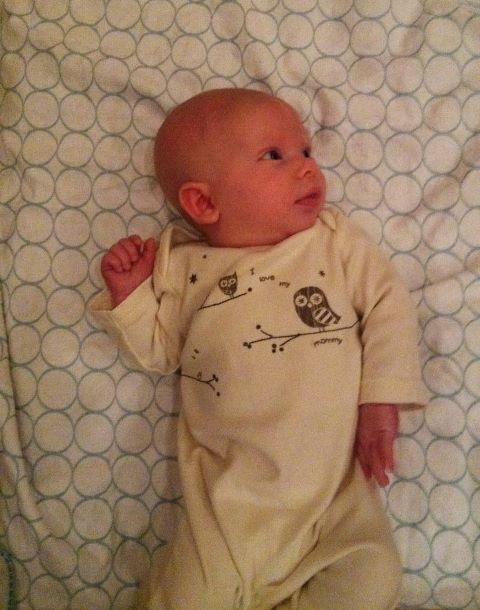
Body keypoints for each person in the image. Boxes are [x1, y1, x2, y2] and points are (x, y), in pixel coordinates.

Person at [91, 88, 426, 610]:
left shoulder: (332, 241)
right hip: (227, 506)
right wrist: (132, 297)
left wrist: (379, 399)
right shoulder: (185, 267)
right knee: (188, 596)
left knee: (374, 579)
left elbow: (388, 304)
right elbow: (160, 353)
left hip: (334, 500)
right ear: (204, 202)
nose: (307, 167)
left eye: (306, 151)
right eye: (274, 155)